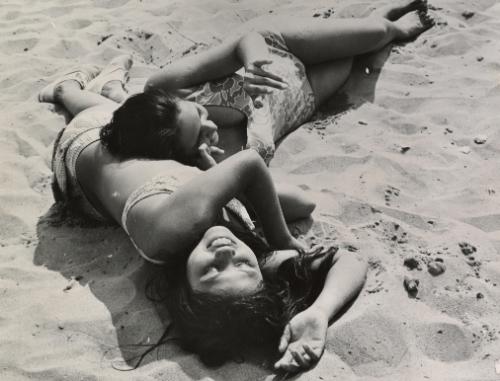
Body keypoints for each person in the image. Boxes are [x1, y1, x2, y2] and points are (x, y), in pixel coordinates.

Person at [39, 59, 367, 372]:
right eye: (243, 263)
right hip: (154, 172)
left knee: (107, 117)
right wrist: (320, 313)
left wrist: (281, 238)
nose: (227, 252)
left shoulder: (169, 234)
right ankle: (113, 89)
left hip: (85, 148)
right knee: (299, 203)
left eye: (212, 270)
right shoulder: (236, 274)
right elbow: (346, 258)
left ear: (187, 289)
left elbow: (250, 163)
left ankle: (66, 89)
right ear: (259, 275)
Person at [97, 0, 434, 168]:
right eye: (199, 134)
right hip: (304, 96)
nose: (209, 123)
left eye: (199, 113)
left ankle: (389, 27)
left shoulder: (166, 85)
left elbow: (247, 40)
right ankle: (362, 30)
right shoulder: (201, 164)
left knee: (375, 35)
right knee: (351, 59)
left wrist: (253, 61)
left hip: (278, 47)